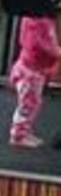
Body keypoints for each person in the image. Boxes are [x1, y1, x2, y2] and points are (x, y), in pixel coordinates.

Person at [9, 15, 58, 148]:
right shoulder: (39, 21)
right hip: (31, 71)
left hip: (30, 68)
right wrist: (57, 52)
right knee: (28, 104)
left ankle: (24, 131)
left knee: (32, 103)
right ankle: (18, 135)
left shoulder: (35, 19)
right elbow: (39, 45)